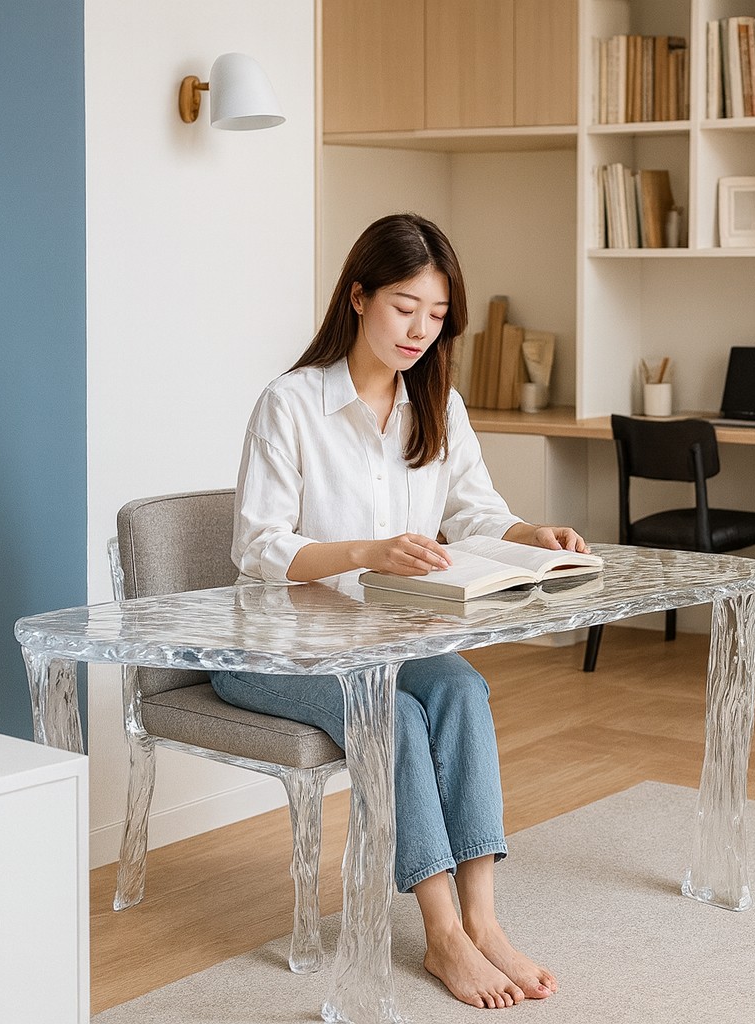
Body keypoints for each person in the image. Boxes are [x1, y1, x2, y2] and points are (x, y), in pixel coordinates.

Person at [210, 212, 588, 1010]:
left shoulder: (436, 408)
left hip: (379, 638)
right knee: (397, 715)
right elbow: (258, 546)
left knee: (461, 689)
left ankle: (485, 922)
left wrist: (531, 534)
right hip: (275, 649)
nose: (421, 331)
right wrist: (364, 551)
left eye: (438, 316)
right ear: (357, 297)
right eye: (404, 308)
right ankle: (442, 937)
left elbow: (479, 510)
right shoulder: (291, 404)